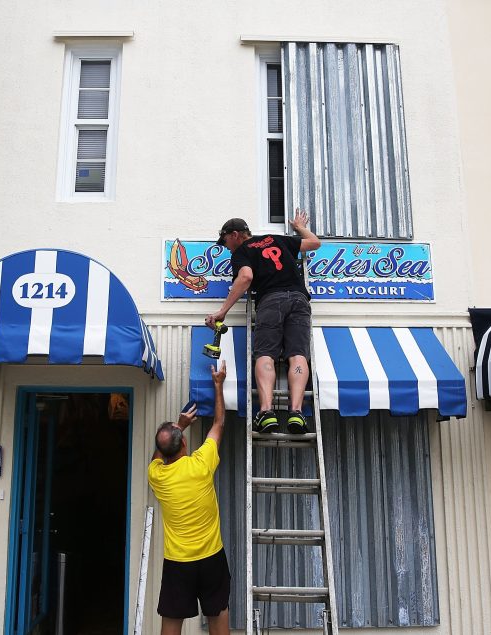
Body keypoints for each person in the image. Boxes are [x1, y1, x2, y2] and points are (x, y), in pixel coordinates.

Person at [205, 209, 321, 434]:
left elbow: (246, 277)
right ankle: (296, 413)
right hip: (298, 299)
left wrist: (223, 311)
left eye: (226, 240)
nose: (226, 245)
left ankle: (267, 412)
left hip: (271, 300)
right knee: (298, 354)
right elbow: (314, 243)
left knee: (265, 354)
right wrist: (299, 228)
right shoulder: (278, 239)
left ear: (236, 234)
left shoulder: (242, 252)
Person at [147, 361, 230, 635]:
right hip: (210, 558)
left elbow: (159, 455)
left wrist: (178, 426)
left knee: (171, 625)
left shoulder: (157, 477)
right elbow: (219, 422)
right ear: (184, 442)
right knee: (218, 617)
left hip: (177, 563)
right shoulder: (201, 465)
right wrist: (218, 385)